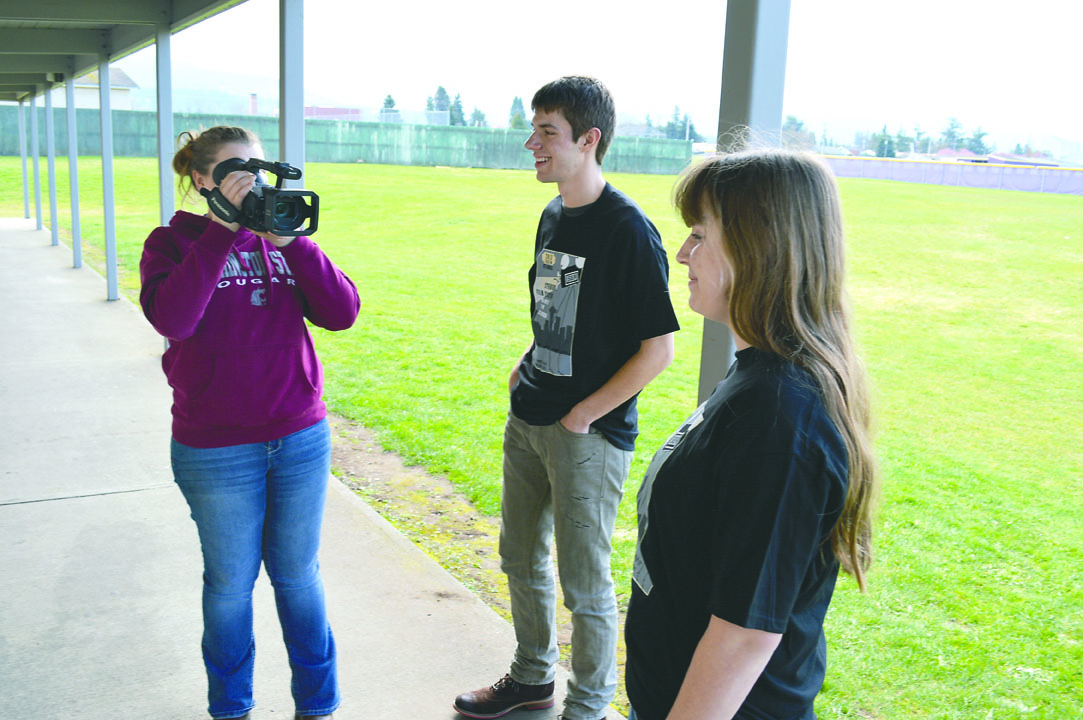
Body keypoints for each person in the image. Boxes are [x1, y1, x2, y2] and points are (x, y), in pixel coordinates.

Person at [623, 149, 879, 720]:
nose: (682, 253)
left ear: (757, 247)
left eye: (698, 235)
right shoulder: (758, 378)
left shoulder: (780, 420)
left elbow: (744, 636)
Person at [454, 76, 680, 720]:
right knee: (518, 557)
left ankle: (587, 706)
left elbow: (657, 349)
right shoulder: (553, 213)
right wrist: (526, 365)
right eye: (534, 130)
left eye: (547, 132)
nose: (532, 143)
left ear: (589, 140)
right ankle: (531, 679)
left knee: (585, 585)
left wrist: (584, 412)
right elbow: (556, 311)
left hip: (587, 435)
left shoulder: (629, 230)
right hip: (528, 417)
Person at [139, 126, 359, 720]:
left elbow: (342, 313)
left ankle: (318, 706)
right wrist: (222, 232)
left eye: (257, 169)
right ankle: (231, 708)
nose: (252, 181)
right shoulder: (172, 241)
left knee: (298, 576)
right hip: (216, 447)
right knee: (231, 586)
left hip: (299, 436)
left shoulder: (278, 236)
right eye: (236, 170)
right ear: (203, 180)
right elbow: (176, 320)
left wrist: (291, 244)